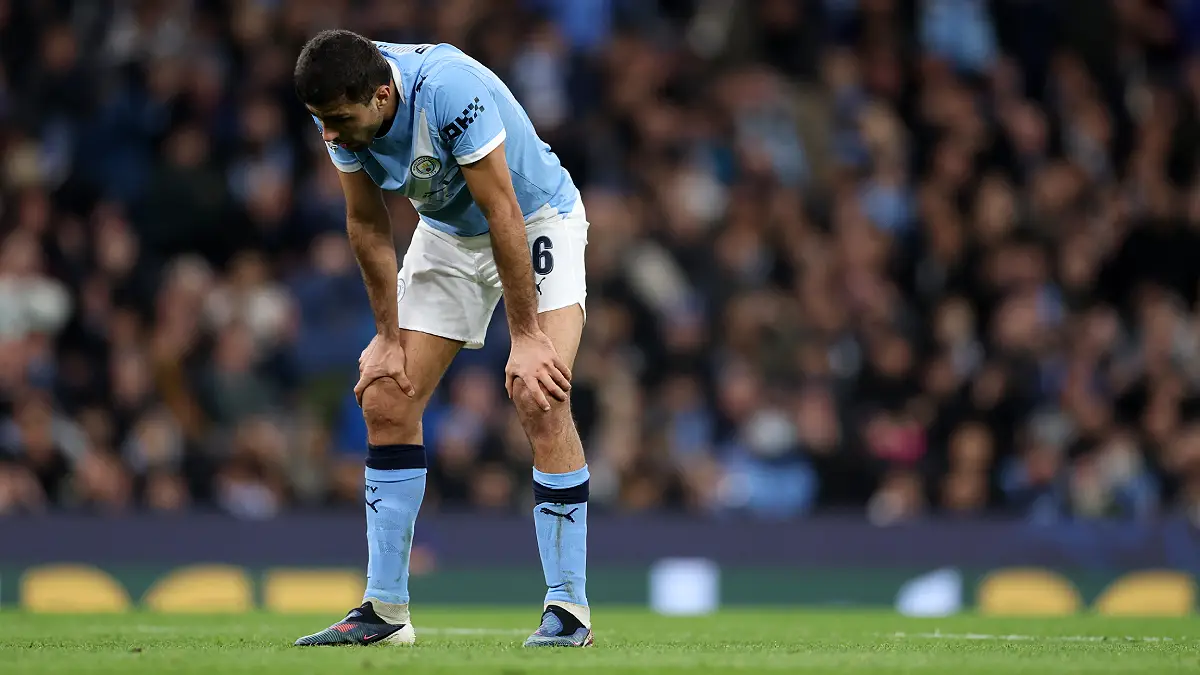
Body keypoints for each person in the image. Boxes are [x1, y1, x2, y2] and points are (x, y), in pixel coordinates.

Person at [290, 30, 592, 648]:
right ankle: (385, 611)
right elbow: (367, 221)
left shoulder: (450, 91)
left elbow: (503, 209)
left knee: (540, 392)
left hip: (535, 219)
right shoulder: (345, 105)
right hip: (450, 234)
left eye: (340, 121)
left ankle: (569, 610)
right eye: (320, 122)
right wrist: (386, 336)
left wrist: (528, 335)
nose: (330, 135)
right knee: (386, 395)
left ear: (380, 96)